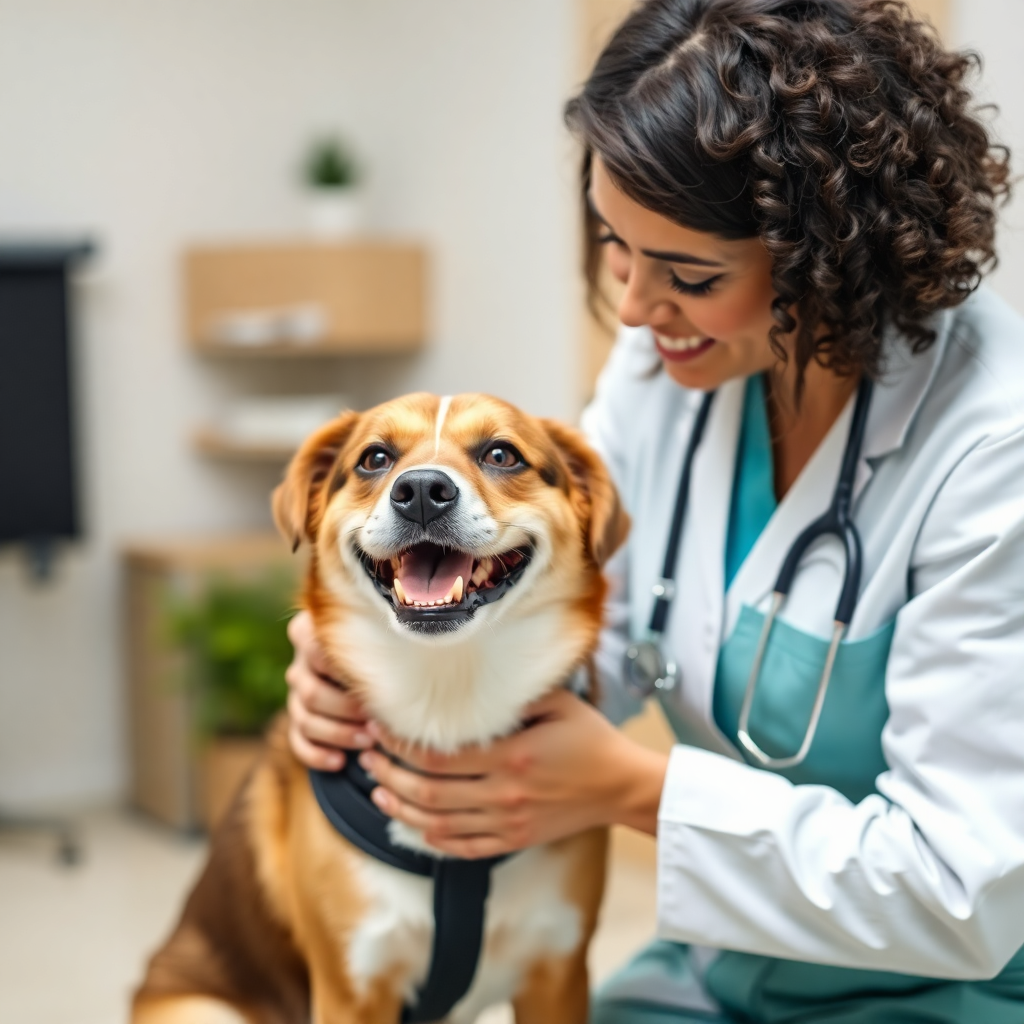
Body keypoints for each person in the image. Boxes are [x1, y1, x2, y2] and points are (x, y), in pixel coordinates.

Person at [283, 0, 1024, 1019]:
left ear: (829, 259)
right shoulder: (672, 362)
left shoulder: (993, 447)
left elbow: (963, 891)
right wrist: (373, 653)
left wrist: (633, 790)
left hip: (957, 985)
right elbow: (590, 624)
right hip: (730, 962)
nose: (633, 309)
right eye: (615, 245)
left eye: (690, 274)